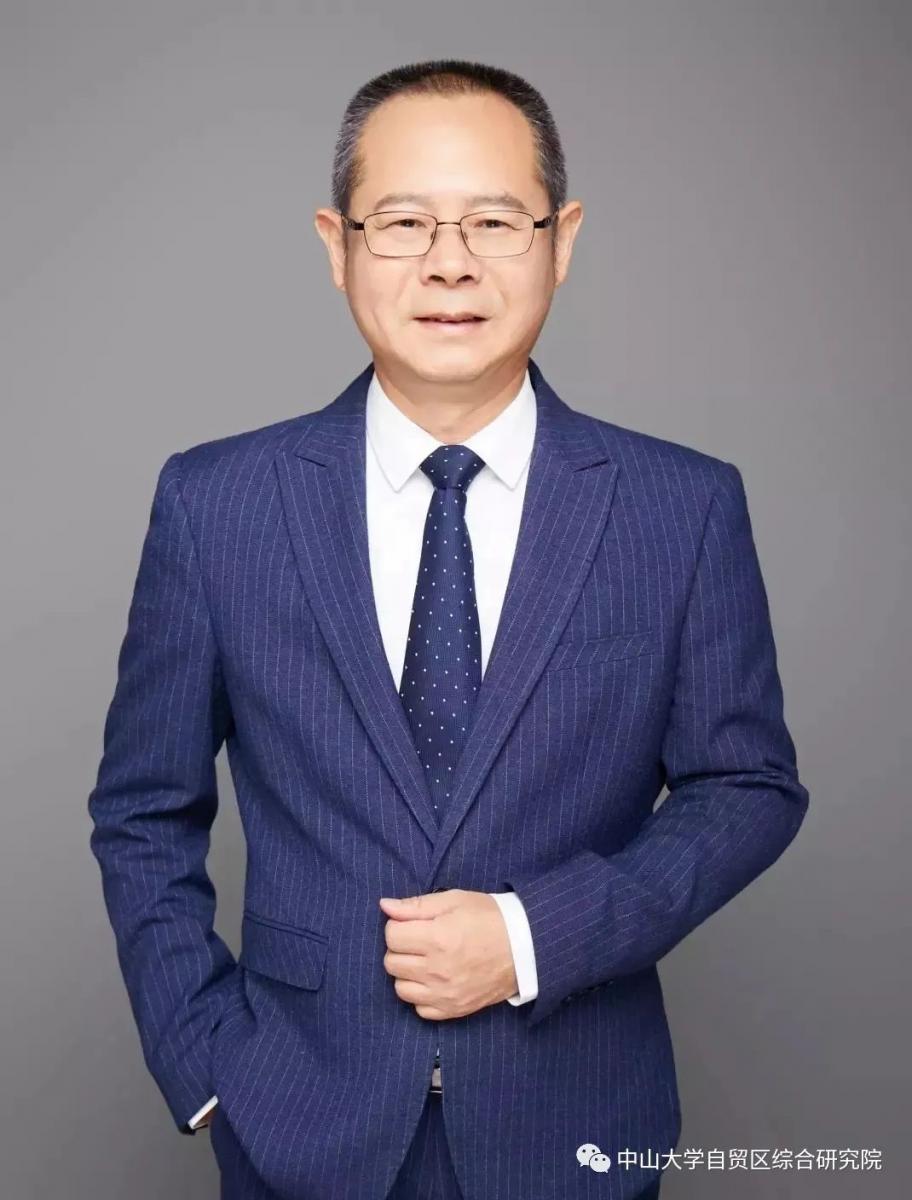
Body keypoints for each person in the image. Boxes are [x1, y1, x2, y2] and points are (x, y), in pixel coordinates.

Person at [88, 58, 809, 1200]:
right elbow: (142, 809)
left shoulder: (682, 509)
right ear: (337, 244)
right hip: (293, 1127)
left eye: (495, 221)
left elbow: (748, 786)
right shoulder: (215, 504)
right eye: (404, 221)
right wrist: (205, 1063)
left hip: (574, 1128)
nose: (450, 261)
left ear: (561, 241)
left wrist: (534, 937)